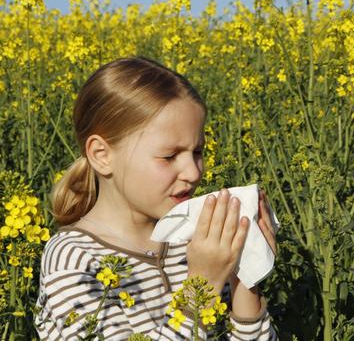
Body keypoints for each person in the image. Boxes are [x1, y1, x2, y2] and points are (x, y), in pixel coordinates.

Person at [34, 56, 278, 340]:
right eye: (169, 156)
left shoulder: (194, 242)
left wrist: (244, 273)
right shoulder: (74, 259)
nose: (192, 171)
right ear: (102, 156)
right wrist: (202, 286)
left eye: (197, 152)